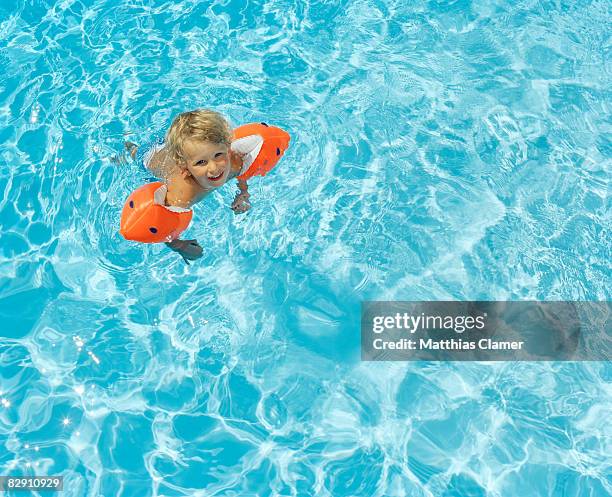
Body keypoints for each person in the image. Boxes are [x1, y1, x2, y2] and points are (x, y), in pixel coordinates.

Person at [123, 109, 289, 263]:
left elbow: (242, 174)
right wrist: (179, 245)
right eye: (201, 163)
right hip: (151, 159)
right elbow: (162, 222)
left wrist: (243, 193)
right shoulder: (184, 194)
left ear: (227, 147)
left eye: (218, 155)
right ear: (185, 168)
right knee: (133, 152)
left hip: (181, 150)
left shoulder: (234, 161)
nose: (214, 168)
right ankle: (124, 146)